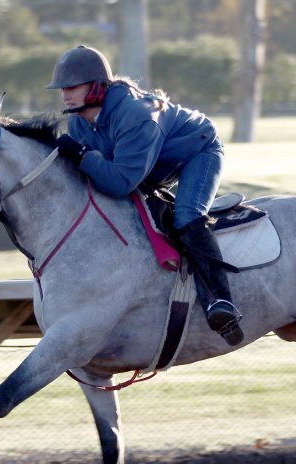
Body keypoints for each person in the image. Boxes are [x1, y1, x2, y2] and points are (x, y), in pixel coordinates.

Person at [47, 45, 243, 346]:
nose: (65, 96)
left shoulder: (135, 115)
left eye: (72, 87)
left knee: (187, 216)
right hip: (151, 161)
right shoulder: (77, 120)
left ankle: (222, 302)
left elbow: (121, 182)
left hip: (198, 151)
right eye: (62, 89)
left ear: (97, 86)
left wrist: (84, 155)